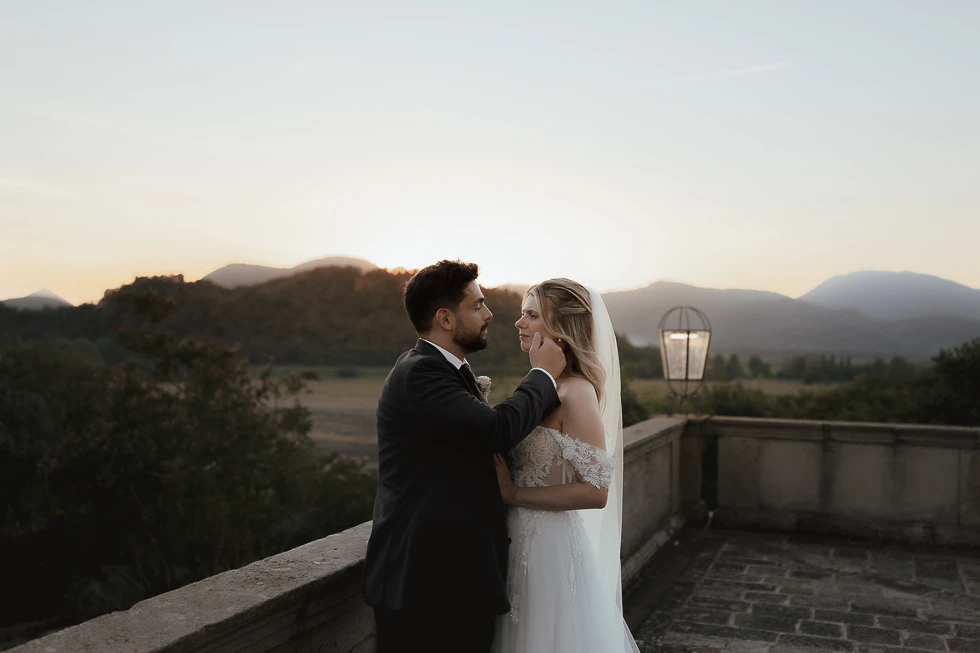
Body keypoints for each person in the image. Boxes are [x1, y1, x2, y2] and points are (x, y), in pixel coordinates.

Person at [362, 260, 567, 653]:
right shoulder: (421, 373)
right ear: (445, 318)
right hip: (427, 590)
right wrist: (543, 375)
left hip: (454, 582)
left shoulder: (445, 369)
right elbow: (496, 430)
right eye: (477, 305)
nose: (489, 314)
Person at [491, 278, 640, 653]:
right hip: (516, 543)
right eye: (522, 314)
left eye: (531, 315)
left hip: (548, 552)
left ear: (561, 327)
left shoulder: (577, 392)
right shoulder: (539, 384)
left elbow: (596, 492)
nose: (519, 323)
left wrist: (514, 494)